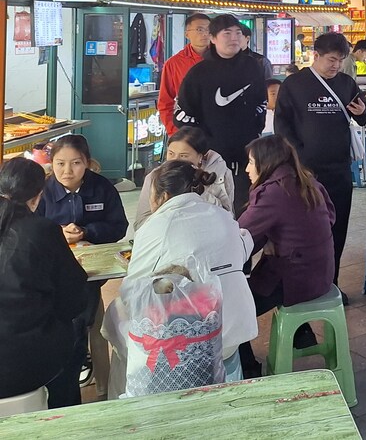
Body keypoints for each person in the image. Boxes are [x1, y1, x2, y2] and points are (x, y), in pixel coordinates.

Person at [107, 161, 257, 387]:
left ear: (163, 195)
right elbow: (242, 248)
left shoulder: (157, 225)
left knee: (116, 313)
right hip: (233, 331)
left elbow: (134, 291)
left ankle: (129, 395)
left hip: (191, 340)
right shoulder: (223, 216)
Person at [274, 32, 366, 301]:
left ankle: (332, 284)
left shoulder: (346, 83)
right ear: (315, 55)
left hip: (339, 170)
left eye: (340, 60)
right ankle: (303, 289)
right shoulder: (294, 84)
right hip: (305, 173)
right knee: (304, 232)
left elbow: (364, 116)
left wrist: (363, 112)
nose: (336, 65)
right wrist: (299, 159)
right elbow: (282, 126)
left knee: (337, 229)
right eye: (331, 60)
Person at [37, 134, 128, 402]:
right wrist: (58, 233)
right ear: (51, 164)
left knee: (92, 324)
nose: (67, 171)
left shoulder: (102, 188)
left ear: (87, 162)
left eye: (75, 163)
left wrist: (87, 232)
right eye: (60, 163)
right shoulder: (43, 192)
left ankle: (101, 388)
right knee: (72, 326)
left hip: (91, 273)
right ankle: (69, 377)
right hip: (53, 275)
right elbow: (32, 227)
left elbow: (119, 226)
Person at [237, 135, 336, 377]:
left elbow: (239, 235)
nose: (247, 169)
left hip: (297, 278)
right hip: (321, 272)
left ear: (267, 163)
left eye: (251, 162)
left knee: (233, 310)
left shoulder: (274, 192)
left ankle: (249, 372)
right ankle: (303, 335)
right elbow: (331, 217)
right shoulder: (307, 180)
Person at [0, 157, 88, 407]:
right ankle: (64, 416)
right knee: (76, 332)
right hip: (22, 366)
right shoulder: (42, 230)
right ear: (37, 197)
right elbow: (73, 300)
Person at [173, 13, 267, 211]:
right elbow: (182, 115)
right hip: (211, 159)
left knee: (246, 208)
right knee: (213, 208)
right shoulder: (199, 72)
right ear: (213, 38)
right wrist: (203, 145)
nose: (234, 38)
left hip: (247, 156)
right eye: (227, 33)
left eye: (238, 33)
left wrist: (255, 132)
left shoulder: (253, 66)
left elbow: (261, 102)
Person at [133, 126, 234, 230]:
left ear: (200, 157)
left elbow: (228, 217)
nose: (175, 160)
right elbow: (140, 222)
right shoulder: (155, 176)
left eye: (183, 156)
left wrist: (200, 193)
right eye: (171, 153)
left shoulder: (220, 173)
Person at [157, 12, 210, 136]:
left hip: (217, 128)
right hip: (187, 128)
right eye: (199, 29)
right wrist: (174, 131)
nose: (205, 33)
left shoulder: (221, 59)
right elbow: (165, 102)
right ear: (187, 34)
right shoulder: (174, 63)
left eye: (209, 29)